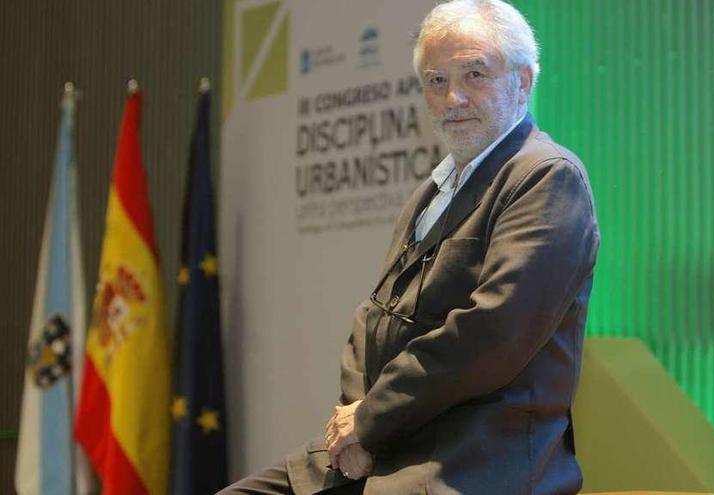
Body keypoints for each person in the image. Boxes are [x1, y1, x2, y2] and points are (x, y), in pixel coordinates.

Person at [221, 0, 599, 493]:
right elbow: (373, 315)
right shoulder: (433, 190)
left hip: (473, 459)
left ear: (523, 81)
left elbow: (492, 334)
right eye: (436, 81)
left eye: (474, 75)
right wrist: (356, 428)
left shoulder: (547, 178)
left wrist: (371, 419)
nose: (452, 98)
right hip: (388, 442)